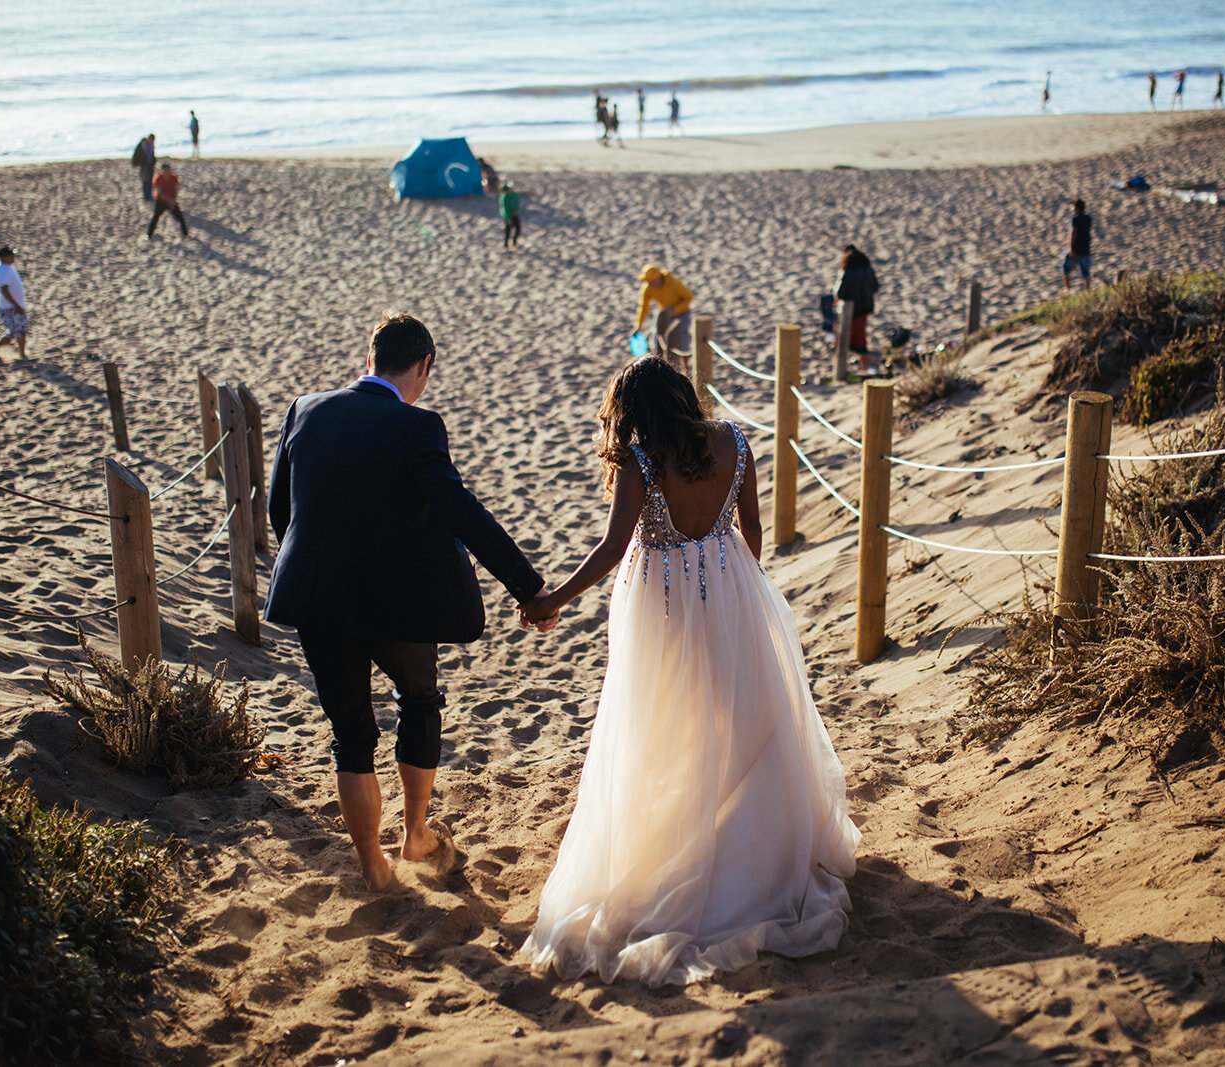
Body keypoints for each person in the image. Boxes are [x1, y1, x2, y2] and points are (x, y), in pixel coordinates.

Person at [517, 356, 858, 987]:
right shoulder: (733, 440)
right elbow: (752, 530)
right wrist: (731, 591)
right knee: (743, 716)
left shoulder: (641, 459)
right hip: (732, 584)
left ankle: (689, 845)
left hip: (663, 603)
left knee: (664, 726)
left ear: (633, 412)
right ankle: (751, 842)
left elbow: (614, 547)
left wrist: (552, 600)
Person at [264, 311, 551, 891]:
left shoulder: (304, 408)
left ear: (368, 358)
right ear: (422, 366)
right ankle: (415, 835)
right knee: (419, 701)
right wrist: (530, 588)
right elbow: (459, 509)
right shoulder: (418, 425)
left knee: (351, 735)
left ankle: (373, 866)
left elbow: (279, 511)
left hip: (319, 599)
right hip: (395, 603)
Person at [632, 265, 695, 372]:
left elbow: (689, 298)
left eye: (651, 281)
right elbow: (644, 306)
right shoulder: (648, 288)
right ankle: (659, 363)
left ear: (658, 279)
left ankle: (686, 365)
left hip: (681, 313)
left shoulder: (674, 283)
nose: (649, 284)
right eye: (647, 281)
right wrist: (639, 325)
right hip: (665, 314)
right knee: (656, 335)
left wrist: (675, 310)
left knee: (682, 338)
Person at [835, 245, 880, 375]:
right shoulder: (868, 268)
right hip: (864, 309)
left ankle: (845, 370)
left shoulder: (848, 270)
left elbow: (840, 292)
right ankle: (864, 368)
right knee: (861, 340)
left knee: (847, 339)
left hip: (850, 310)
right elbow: (876, 287)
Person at [0, 246, 29, 360]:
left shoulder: (8, 267)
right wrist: (15, 305)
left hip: (15, 305)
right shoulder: (3, 270)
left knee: (21, 330)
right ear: (4, 257)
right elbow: (4, 290)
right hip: (9, 307)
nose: (13, 257)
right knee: (14, 332)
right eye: (11, 255)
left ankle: (22, 354)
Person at [148, 162, 189, 239]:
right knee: (155, 218)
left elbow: (176, 190)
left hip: (172, 201)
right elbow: (159, 193)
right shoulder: (158, 178)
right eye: (165, 169)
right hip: (161, 201)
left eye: (168, 169)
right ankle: (149, 235)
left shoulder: (174, 178)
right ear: (162, 170)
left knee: (180, 218)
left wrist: (173, 201)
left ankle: (185, 234)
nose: (167, 171)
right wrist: (170, 200)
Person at [1062, 198, 1094, 293]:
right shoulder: (1088, 218)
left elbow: (1072, 233)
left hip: (1075, 249)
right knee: (1086, 273)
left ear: (1076, 208)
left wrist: (1070, 247)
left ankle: (1067, 289)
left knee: (1065, 268)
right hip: (1086, 249)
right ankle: (1088, 291)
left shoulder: (1074, 219)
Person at [131, 133, 156, 201]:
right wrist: (136, 163)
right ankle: (146, 196)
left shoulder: (151, 145)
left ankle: (149, 195)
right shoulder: (142, 144)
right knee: (145, 180)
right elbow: (136, 154)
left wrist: (154, 161)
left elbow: (152, 154)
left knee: (150, 181)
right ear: (148, 138)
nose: (151, 142)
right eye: (151, 140)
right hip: (143, 165)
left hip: (150, 165)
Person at [499, 181, 521, 249]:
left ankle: (514, 241)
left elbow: (517, 203)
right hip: (508, 215)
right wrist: (508, 219)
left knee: (518, 228)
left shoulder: (514, 194)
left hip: (514, 213)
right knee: (508, 230)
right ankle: (506, 244)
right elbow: (504, 209)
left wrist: (516, 210)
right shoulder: (504, 198)